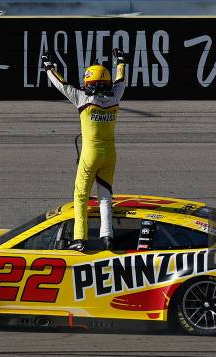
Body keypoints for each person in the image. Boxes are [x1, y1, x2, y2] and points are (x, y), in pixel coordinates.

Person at [42, 49, 127, 251]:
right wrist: (121, 62)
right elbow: (121, 80)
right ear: (106, 81)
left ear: (88, 82)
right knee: (105, 197)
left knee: (80, 196)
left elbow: (61, 84)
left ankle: (80, 238)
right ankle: (107, 237)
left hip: (90, 155)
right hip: (110, 154)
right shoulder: (116, 96)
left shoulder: (82, 98)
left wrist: (48, 66)